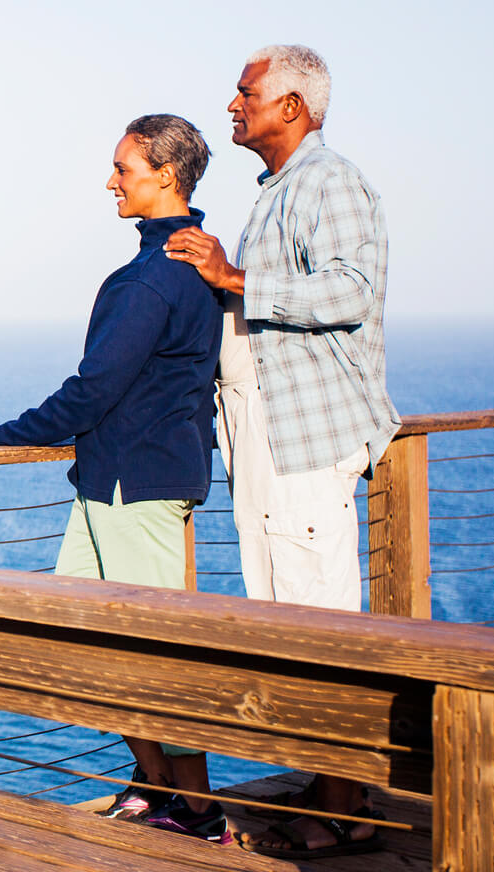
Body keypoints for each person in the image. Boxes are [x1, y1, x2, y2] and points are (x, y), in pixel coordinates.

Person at [0, 113, 229, 844]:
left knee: (155, 659)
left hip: (134, 488)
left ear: (164, 176)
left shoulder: (154, 277)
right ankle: (156, 786)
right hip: (115, 483)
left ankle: (201, 814)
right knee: (86, 648)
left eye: (123, 168)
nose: (111, 181)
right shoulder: (190, 262)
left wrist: (7, 434)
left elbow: (95, 388)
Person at [165, 45, 400, 859]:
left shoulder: (330, 182)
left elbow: (349, 291)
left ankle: (345, 804)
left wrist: (233, 277)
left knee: (321, 617)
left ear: (293, 106)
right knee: (286, 613)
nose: (233, 104)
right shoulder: (279, 192)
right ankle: (329, 780)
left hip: (305, 442)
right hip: (270, 444)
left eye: (247, 92)